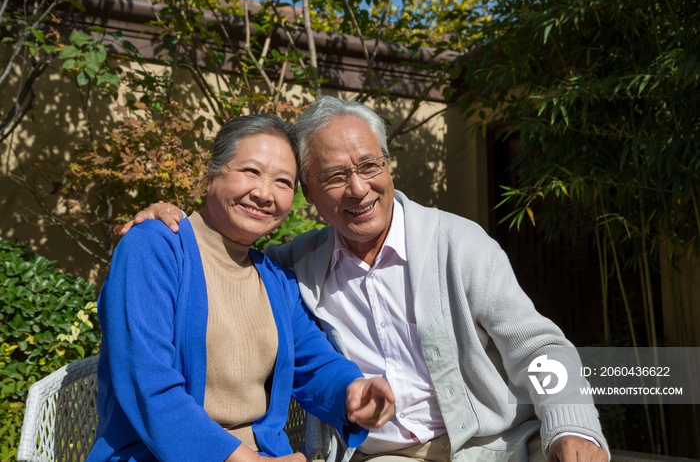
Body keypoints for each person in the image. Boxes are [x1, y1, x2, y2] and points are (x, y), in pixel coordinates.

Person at [124, 97, 610, 462]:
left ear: (387, 166)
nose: (358, 188)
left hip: (494, 447)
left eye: (369, 166)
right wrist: (156, 220)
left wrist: (573, 425)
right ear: (311, 194)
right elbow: (154, 376)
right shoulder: (292, 266)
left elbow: (539, 346)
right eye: (334, 176)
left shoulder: (457, 244)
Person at [89, 114, 395, 462]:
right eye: (250, 171)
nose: (264, 193)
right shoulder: (155, 248)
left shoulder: (275, 279)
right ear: (212, 173)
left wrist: (353, 392)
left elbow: (315, 362)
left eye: (282, 181)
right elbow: (149, 385)